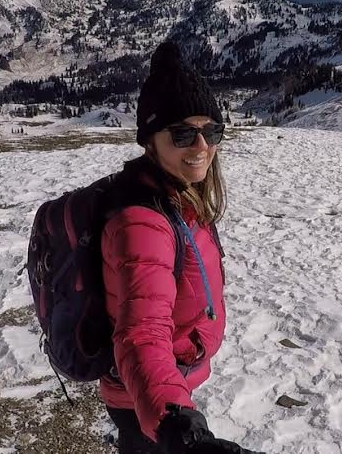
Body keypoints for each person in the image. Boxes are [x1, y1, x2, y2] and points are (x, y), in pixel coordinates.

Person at [100, 42, 263, 454]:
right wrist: (176, 424)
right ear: (150, 140)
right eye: (183, 133)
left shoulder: (181, 198)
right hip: (148, 399)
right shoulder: (143, 223)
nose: (202, 146)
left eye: (211, 131)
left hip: (165, 387)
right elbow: (142, 332)